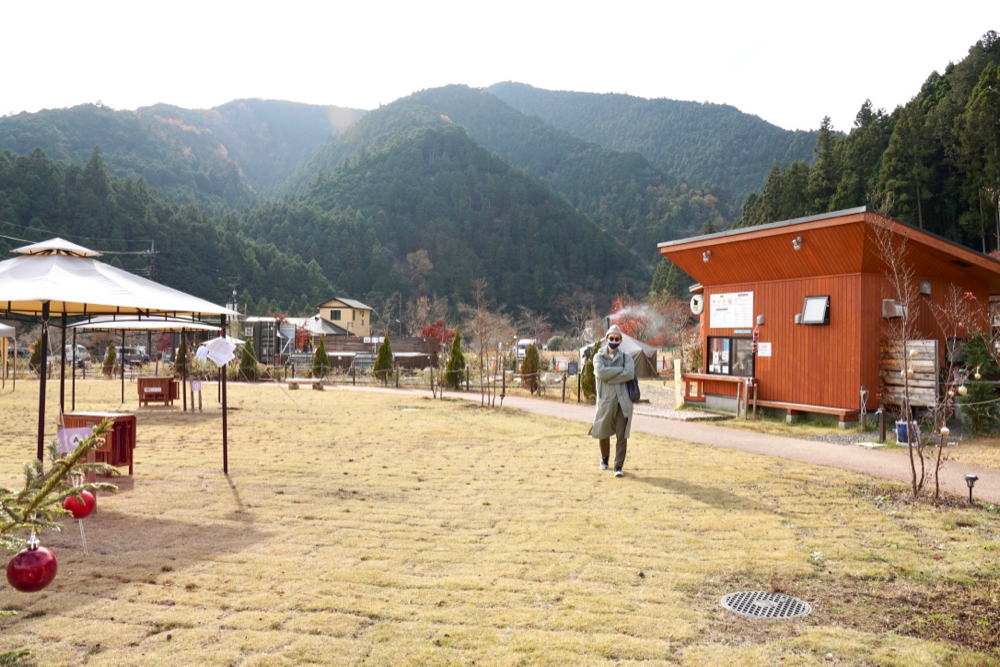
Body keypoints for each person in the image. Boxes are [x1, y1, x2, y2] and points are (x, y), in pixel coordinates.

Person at [589, 324, 634, 477]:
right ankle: (604, 458)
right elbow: (601, 373)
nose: (614, 341)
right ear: (606, 339)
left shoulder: (626, 356)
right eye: (611, 338)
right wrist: (620, 371)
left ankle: (618, 466)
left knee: (622, 434)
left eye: (616, 338)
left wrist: (611, 378)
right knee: (603, 430)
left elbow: (630, 374)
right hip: (606, 400)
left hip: (623, 401)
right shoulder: (598, 356)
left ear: (620, 340)